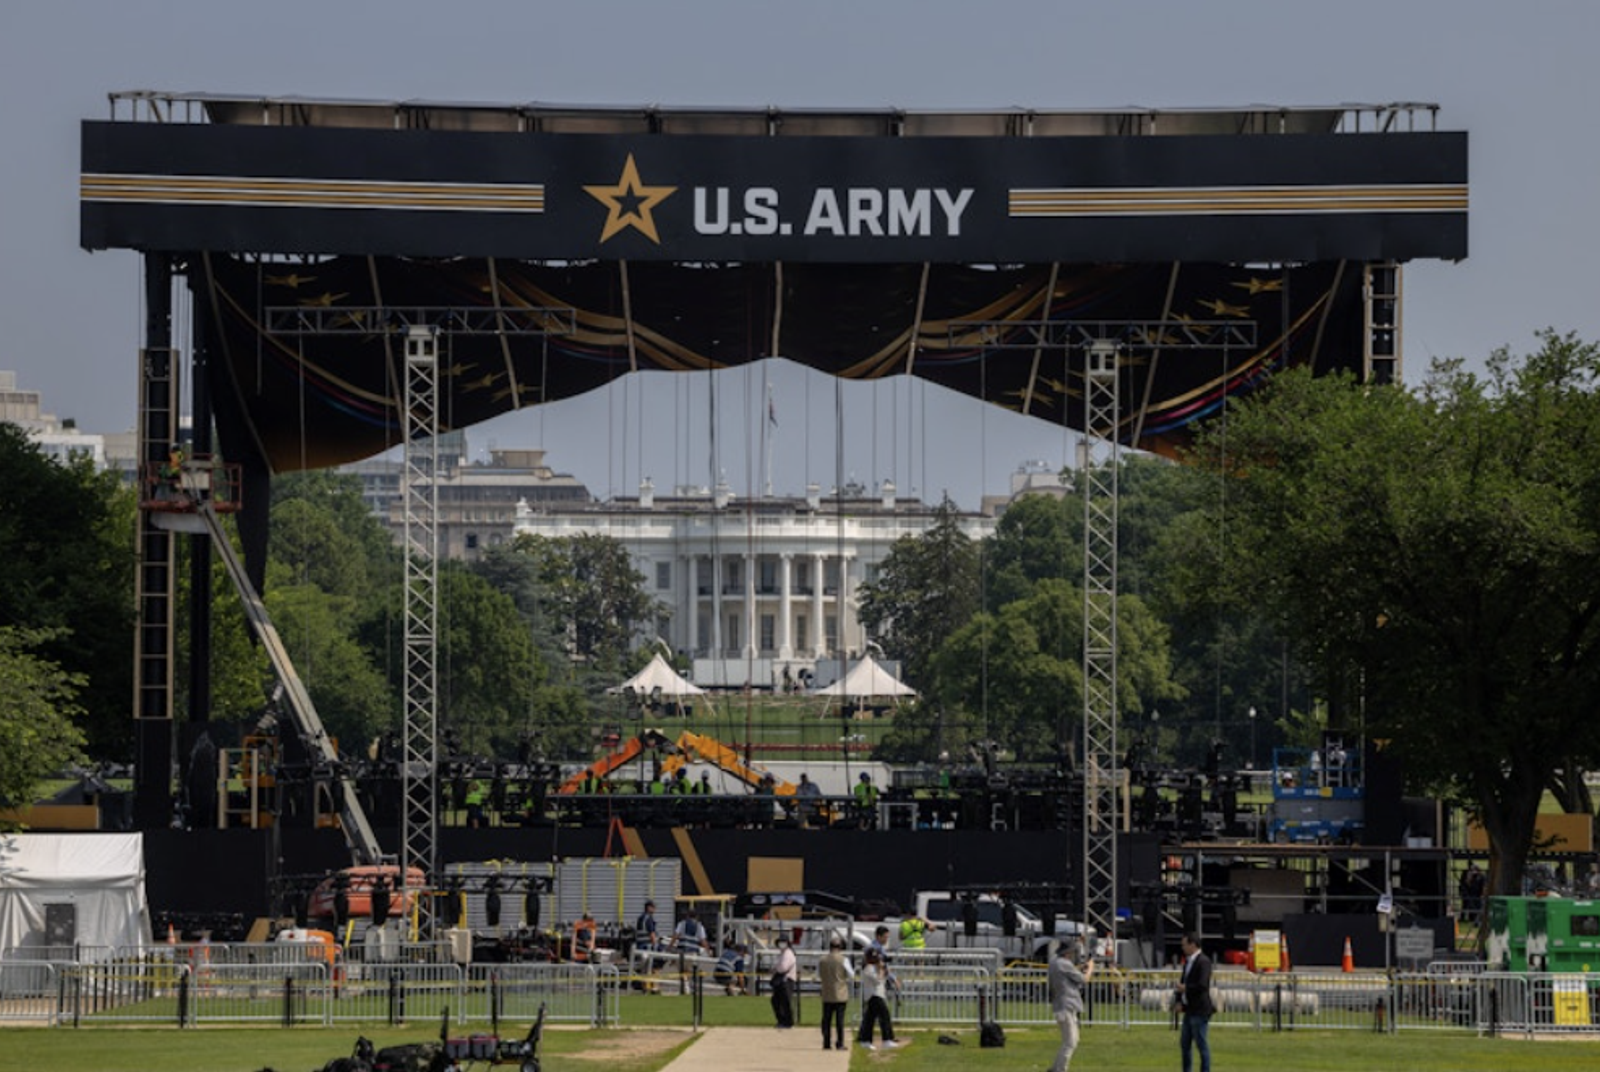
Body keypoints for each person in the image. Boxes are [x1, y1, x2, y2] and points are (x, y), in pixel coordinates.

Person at [1049, 939, 1094, 1072]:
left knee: (1071, 1040)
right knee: (1070, 1042)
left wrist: (1080, 969)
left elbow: (1070, 975)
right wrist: (1091, 967)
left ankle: (1055, 1068)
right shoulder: (1064, 963)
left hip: (1062, 1004)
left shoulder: (1055, 962)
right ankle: (1060, 1069)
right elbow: (1084, 979)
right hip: (1066, 1005)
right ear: (1068, 952)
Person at [1174, 931, 1214, 1072]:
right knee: (1185, 1044)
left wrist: (1186, 988)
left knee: (1201, 1044)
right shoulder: (1188, 962)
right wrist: (1179, 1000)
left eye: (1184, 945)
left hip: (1200, 1010)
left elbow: (1202, 985)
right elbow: (1182, 981)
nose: (1183, 948)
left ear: (1193, 945)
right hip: (1189, 1009)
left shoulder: (1204, 962)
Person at [857, 946, 902, 1050]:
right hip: (874, 995)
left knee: (870, 1019)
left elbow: (884, 978)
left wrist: (884, 970)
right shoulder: (868, 968)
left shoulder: (874, 968)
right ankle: (887, 1039)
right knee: (884, 1016)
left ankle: (866, 1040)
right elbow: (877, 980)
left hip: (878, 995)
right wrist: (881, 970)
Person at [818, 936, 852, 1049]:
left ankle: (826, 1042)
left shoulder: (822, 960)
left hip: (827, 993)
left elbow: (819, 974)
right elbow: (851, 974)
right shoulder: (843, 959)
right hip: (840, 993)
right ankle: (840, 1043)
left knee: (826, 1020)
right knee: (839, 1020)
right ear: (840, 947)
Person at [771, 936, 797, 1028]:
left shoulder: (788, 953)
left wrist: (776, 969)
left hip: (786, 980)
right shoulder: (782, 954)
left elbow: (783, 968)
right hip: (782, 980)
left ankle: (787, 1021)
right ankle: (782, 1020)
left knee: (785, 1001)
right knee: (777, 1001)